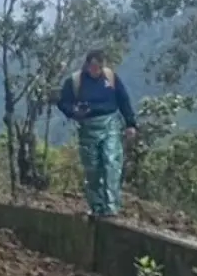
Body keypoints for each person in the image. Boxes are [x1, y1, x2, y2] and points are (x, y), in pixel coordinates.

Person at [57, 49, 138, 218]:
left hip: (110, 124)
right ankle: (97, 206)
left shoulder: (110, 78)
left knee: (111, 163)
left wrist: (130, 123)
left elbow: (123, 100)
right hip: (88, 127)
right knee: (93, 168)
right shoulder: (75, 81)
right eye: (93, 66)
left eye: (99, 67)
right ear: (87, 65)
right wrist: (73, 111)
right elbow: (63, 102)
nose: (96, 70)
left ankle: (111, 207)